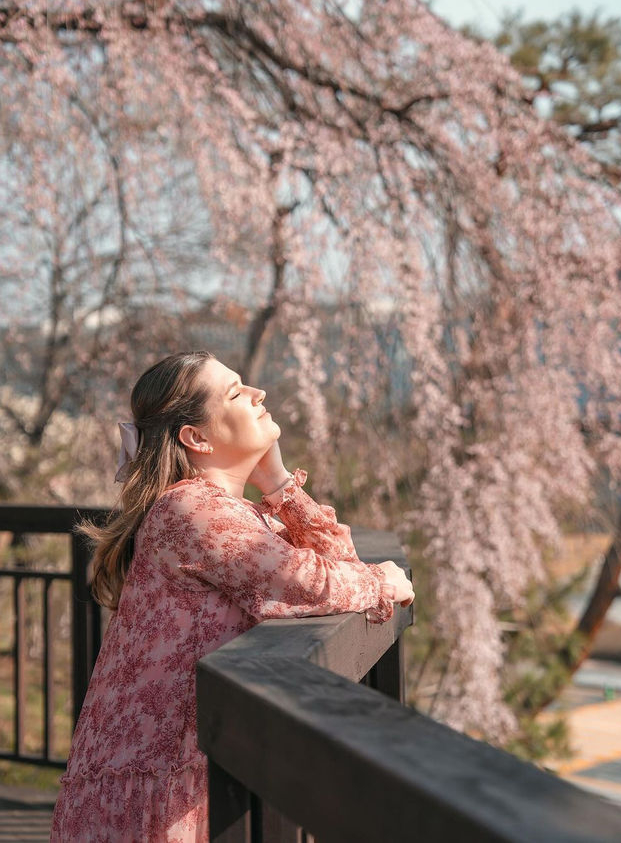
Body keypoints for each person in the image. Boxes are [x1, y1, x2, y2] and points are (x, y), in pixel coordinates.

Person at [50, 350, 414, 842]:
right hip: (155, 783)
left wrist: (278, 484)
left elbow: (334, 566)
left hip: (178, 766)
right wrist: (381, 583)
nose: (259, 393)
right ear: (196, 438)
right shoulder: (190, 508)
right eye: (236, 392)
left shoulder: (232, 511)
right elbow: (305, 581)